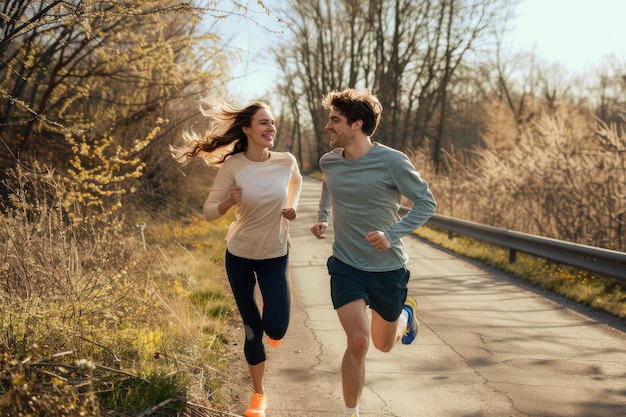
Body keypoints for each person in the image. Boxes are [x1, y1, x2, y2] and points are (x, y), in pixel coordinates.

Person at [310, 88, 436, 417]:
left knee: (383, 344)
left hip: (387, 268)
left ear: (357, 124)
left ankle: (406, 313)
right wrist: (323, 218)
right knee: (359, 342)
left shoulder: (392, 161)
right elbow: (327, 182)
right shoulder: (329, 162)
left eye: (334, 120)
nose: (328, 127)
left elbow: (426, 202)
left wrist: (391, 234)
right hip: (346, 265)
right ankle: (352, 413)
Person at [172, 98, 302, 417]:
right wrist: (229, 201)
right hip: (240, 255)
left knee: (277, 330)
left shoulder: (286, 161)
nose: (270, 127)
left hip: (274, 254)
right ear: (246, 129)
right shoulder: (234, 166)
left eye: (272, 122)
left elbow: (296, 183)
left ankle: (268, 308)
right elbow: (207, 213)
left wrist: (292, 204)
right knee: (251, 330)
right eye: (263, 123)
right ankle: (259, 396)